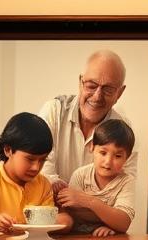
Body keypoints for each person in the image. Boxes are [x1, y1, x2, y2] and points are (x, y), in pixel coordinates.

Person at [0, 112, 73, 238]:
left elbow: (57, 222)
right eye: (30, 159)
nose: (36, 167)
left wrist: (63, 219)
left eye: (42, 160)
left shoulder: (43, 184)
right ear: (8, 150)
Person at [39, 50, 138, 190]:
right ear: (80, 82)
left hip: (96, 211)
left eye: (108, 90)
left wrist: (84, 203)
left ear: (119, 93)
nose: (97, 96)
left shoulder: (125, 131)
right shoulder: (54, 111)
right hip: (49, 204)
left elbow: (124, 185)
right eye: (91, 86)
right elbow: (42, 169)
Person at [56, 118, 136, 237]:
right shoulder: (80, 175)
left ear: (127, 158)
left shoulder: (126, 181)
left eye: (118, 156)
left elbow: (123, 223)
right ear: (92, 148)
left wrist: (88, 201)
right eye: (103, 153)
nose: (108, 162)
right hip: (74, 237)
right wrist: (111, 217)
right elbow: (71, 212)